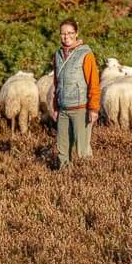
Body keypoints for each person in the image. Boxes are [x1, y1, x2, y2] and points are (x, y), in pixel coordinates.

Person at [50, 18, 100, 168]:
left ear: (76, 33)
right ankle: (65, 176)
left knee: (82, 149)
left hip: (81, 109)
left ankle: (89, 176)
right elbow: (56, 83)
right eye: (63, 33)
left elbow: (93, 83)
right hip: (63, 109)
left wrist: (93, 109)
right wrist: (56, 106)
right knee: (62, 150)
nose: (66, 36)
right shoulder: (57, 55)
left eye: (70, 33)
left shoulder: (86, 54)